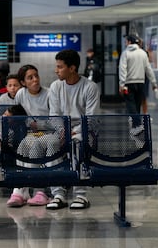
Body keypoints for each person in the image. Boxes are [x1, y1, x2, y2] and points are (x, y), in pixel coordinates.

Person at [47, 49, 100, 210]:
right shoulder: (56, 86)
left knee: (77, 144)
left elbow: (90, 118)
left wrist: (74, 132)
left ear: (72, 68)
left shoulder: (89, 87)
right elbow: (54, 115)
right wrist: (62, 131)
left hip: (83, 131)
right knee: (51, 144)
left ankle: (80, 194)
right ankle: (58, 193)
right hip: (62, 130)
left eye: (60, 67)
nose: (56, 70)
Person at [6, 64, 51, 207]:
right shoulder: (21, 94)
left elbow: (56, 118)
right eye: (30, 78)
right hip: (30, 133)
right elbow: (18, 115)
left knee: (35, 148)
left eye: (36, 76)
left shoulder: (49, 93)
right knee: (21, 148)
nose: (35, 80)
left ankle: (39, 190)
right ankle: (20, 190)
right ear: (23, 83)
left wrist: (40, 125)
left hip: (48, 133)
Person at [119, 34, 158, 135]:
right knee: (137, 105)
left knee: (130, 105)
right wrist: (154, 82)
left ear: (129, 42)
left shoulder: (125, 53)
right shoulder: (143, 53)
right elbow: (148, 69)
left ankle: (137, 125)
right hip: (141, 83)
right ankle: (135, 128)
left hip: (129, 83)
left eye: (126, 41)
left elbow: (122, 69)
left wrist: (122, 84)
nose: (125, 43)